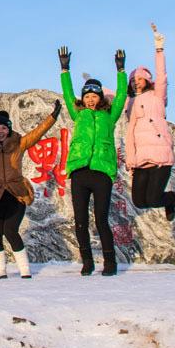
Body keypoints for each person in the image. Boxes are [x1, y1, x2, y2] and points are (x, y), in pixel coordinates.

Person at [58, 45, 127, 276]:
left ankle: (110, 263)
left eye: (94, 96)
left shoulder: (110, 115)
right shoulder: (78, 114)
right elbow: (68, 95)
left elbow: (121, 97)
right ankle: (87, 261)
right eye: (86, 96)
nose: (90, 99)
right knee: (80, 221)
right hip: (79, 171)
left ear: (100, 98)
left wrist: (121, 71)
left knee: (101, 220)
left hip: (101, 172)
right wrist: (65, 70)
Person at [0, 102, 61, 279]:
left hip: (16, 193)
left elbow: (38, 133)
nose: (0, 131)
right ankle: (0, 270)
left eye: (3, 128)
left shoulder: (19, 143)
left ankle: (24, 268)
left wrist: (53, 116)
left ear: (9, 129)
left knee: (10, 230)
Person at [125, 23, 175, 221]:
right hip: (140, 159)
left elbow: (162, 77)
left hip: (159, 154)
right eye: (133, 80)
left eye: (140, 79)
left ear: (147, 80)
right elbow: (114, 96)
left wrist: (159, 49)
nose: (136, 82)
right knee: (139, 201)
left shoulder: (157, 96)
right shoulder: (130, 102)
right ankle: (168, 200)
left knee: (153, 199)